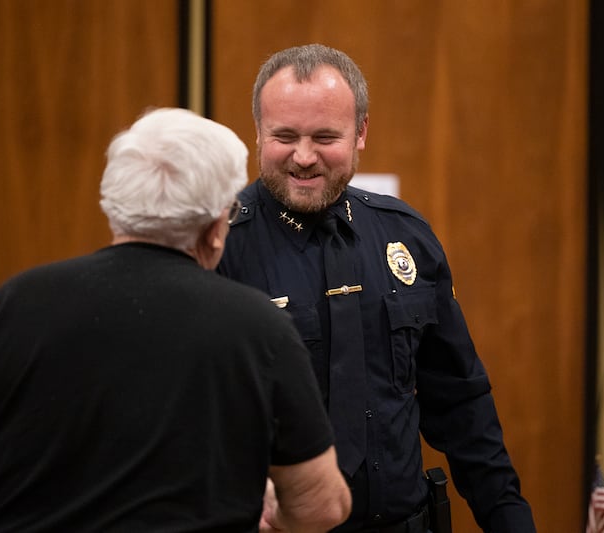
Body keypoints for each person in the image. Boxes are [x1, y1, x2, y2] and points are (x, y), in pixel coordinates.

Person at [0, 107, 351, 533]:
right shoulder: (255, 325)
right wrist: (270, 512)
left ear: (114, 205)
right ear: (216, 227)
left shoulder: (11, 305)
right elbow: (320, 504)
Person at [219, 44, 536, 532]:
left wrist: (510, 521)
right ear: (258, 131)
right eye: (284, 136)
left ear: (361, 132)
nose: (304, 157)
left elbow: (460, 404)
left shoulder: (405, 234)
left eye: (325, 136)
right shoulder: (217, 247)